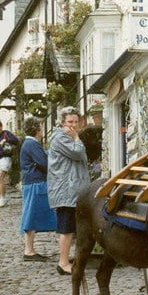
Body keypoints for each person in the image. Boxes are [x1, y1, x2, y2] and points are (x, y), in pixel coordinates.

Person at [47, 106, 90, 275]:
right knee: (66, 228)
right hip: (66, 191)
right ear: (62, 122)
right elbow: (78, 153)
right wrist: (77, 138)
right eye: (70, 122)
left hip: (72, 189)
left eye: (76, 122)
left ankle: (71, 260)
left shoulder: (67, 137)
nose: (73, 125)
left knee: (73, 227)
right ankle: (63, 262)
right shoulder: (61, 138)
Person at [20, 116, 56, 261]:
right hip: (35, 183)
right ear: (36, 129)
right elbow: (44, 163)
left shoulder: (30, 144)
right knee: (31, 215)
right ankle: (28, 250)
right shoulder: (31, 144)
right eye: (41, 126)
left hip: (33, 182)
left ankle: (30, 249)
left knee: (32, 215)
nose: (43, 130)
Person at [0, 118, 19, 208]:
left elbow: (15, 140)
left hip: (6, 158)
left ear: (1, 126)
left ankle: (2, 198)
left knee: (0, 177)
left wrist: (6, 140)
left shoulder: (5, 133)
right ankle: (3, 196)